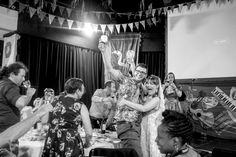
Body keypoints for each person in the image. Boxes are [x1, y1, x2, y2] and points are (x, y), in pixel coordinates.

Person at [98, 38, 148, 157]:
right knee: (135, 154)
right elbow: (110, 68)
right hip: (126, 124)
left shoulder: (144, 87)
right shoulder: (124, 79)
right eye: (138, 71)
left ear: (145, 75)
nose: (140, 73)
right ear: (134, 71)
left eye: (143, 72)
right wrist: (103, 52)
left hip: (137, 125)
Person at [42, 78, 93, 157]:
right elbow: (89, 132)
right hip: (70, 143)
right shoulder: (80, 106)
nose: (84, 92)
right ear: (77, 91)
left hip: (52, 141)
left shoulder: (54, 102)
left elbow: (44, 121)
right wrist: (87, 143)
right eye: (83, 89)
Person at [118, 75, 165, 157]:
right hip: (143, 129)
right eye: (147, 83)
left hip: (151, 131)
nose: (149, 85)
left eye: (152, 84)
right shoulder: (146, 98)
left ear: (157, 86)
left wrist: (125, 102)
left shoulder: (156, 100)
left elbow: (143, 108)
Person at [0, 62, 36, 154]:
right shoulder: (10, 86)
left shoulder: (2, 83)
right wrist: (29, 95)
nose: (23, 79)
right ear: (12, 74)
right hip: (8, 132)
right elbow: (20, 104)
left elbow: (12, 104)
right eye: (22, 76)